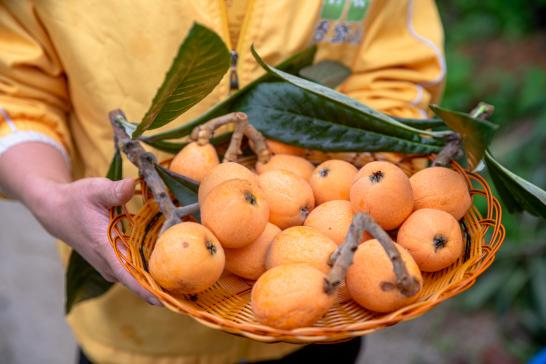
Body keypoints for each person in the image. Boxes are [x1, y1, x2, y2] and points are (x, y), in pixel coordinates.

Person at [0, 1, 445, 363]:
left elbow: (397, 71)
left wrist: (375, 180)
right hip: (134, 334)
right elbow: (14, 89)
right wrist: (47, 196)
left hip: (321, 326)